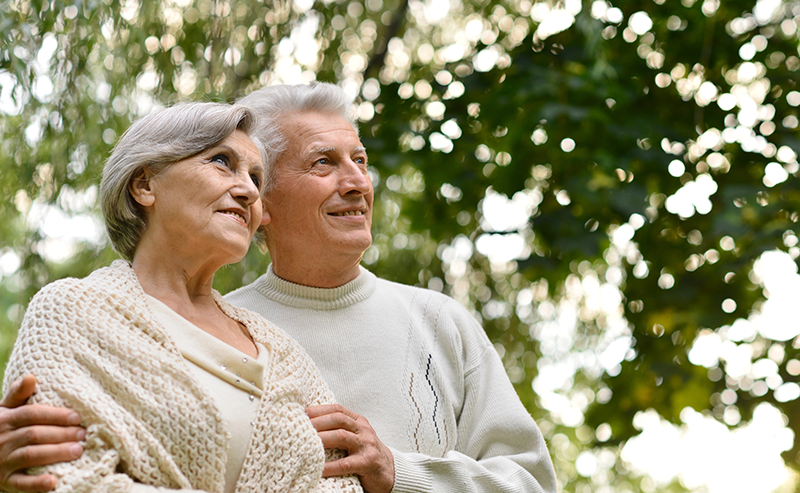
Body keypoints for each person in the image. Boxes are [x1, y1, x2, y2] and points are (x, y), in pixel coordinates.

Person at [0, 83, 557, 493]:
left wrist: (399, 473)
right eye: (323, 162)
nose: (357, 181)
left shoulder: (431, 324)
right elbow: (58, 472)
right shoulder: (91, 313)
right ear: (271, 210)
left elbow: (533, 484)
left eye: (360, 161)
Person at [0, 101, 362, 493]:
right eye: (222, 162)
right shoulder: (70, 312)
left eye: (256, 179)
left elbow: (340, 482)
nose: (247, 192)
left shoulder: (282, 351)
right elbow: (66, 478)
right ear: (144, 185)